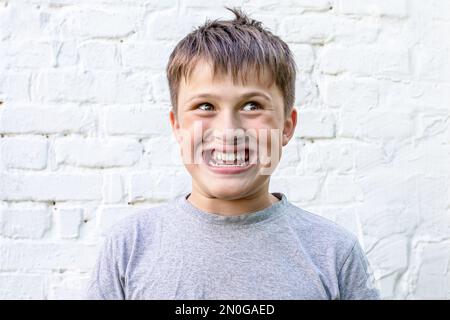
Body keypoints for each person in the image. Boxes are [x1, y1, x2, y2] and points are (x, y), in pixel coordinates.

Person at [85, 6, 380, 300]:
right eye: (205, 106)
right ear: (177, 126)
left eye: (252, 106)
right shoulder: (129, 246)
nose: (228, 131)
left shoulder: (335, 253)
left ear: (287, 126)